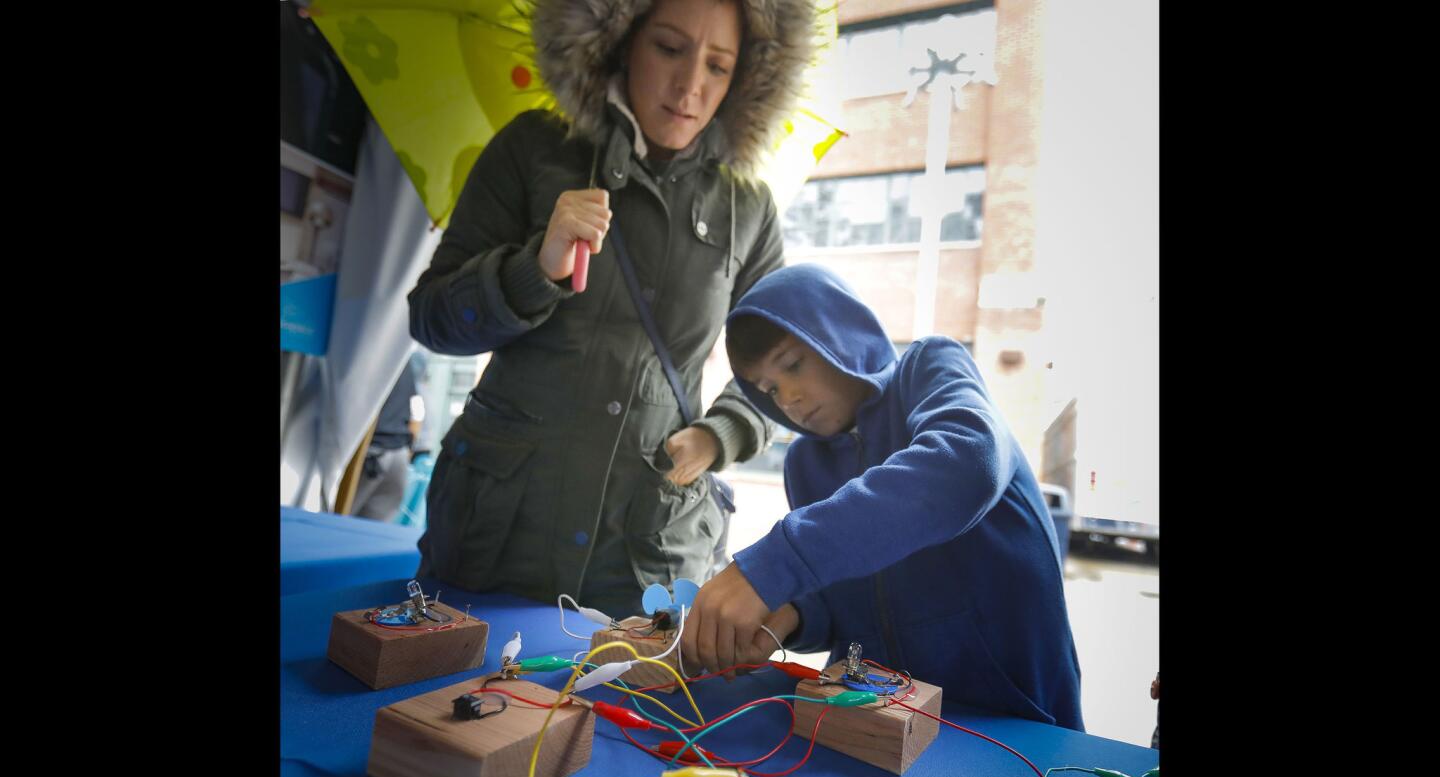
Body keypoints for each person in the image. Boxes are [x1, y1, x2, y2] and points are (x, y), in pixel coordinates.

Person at [406, 0, 818, 619]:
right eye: (670, 49)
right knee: (443, 707)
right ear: (622, 41)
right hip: (494, 529)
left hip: (646, 550)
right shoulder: (533, 147)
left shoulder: (748, 208)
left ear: (746, 79)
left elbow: (782, 371)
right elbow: (431, 317)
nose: (690, 86)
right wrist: (535, 268)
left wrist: (718, 434)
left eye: (719, 65)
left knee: (616, 714)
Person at [680, 263, 1085, 731]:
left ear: (838, 331)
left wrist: (777, 561)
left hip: (1011, 721)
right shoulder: (805, 465)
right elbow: (846, 599)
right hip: (879, 721)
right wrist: (790, 615)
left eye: (792, 365)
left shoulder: (928, 368)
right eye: (768, 388)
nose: (787, 396)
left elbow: (966, 467)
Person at [351, 355, 425, 522]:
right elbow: (418, 414)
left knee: (336, 525)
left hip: (369, 454)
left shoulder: (365, 355)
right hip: (397, 455)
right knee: (371, 532)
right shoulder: (403, 361)